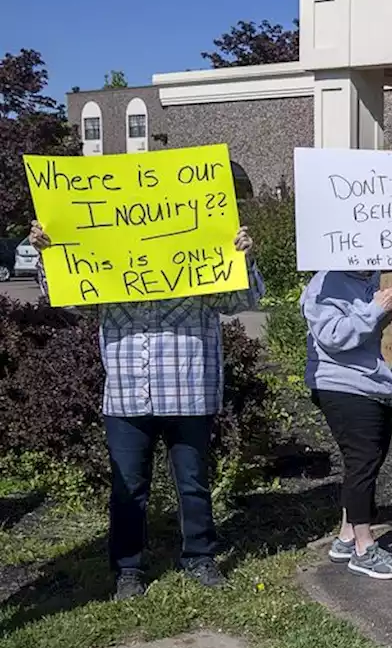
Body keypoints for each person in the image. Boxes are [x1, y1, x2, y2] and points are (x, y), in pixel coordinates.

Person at [29, 220, 263, 600]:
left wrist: (243, 258)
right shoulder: (106, 261)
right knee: (128, 489)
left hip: (188, 391)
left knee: (193, 483)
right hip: (126, 394)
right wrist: (48, 254)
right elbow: (71, 299)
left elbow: (240, 301)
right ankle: (128, 570)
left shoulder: (199, 256)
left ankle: (200, 558)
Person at [302, 270, 392, 581]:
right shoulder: (325, 283)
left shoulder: (383, 277)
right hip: (344, 386)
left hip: (384, 387)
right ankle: (365, 549)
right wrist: (374, 309)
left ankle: (347, 536)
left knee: (369, 463)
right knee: (362, 461)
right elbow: (332, 335)